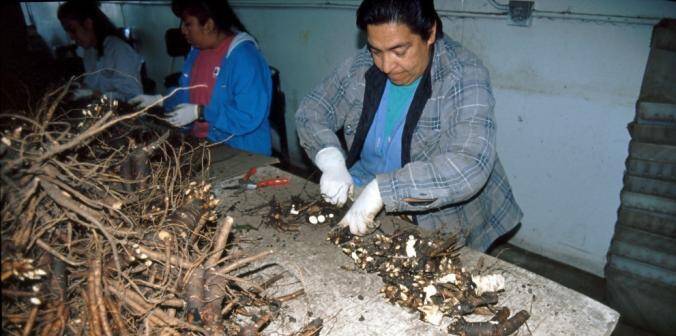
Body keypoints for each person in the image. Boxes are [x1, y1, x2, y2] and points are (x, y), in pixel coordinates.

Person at [295, 0, 522, 251]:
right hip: (362, 194)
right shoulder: (362, 65)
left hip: (439, 216)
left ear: (430, 33)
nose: (386, 66)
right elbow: (312, 111)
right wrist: (330, 160)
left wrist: (382, 191)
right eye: (376, 51)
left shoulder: (462, 75)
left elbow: (469, 163)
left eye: (399, 51)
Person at [131, 0, 273, 156]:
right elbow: (187, 94)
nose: (183, 30)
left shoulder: (244, 58)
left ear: (209, 25)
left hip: (241, 150)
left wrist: (201, 112)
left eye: (188, 24)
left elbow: (247, 115)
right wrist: (160, 100)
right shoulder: (197, 53)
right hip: (203, 144)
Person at [58, 0, 143, 101]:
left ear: (88, 24)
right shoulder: (90, 51)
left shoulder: (118, 50)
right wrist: (80, 86)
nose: (71, 37)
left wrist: (92, 94)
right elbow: (94, 83)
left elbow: (133, 97)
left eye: (72, 30)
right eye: (67, 31)